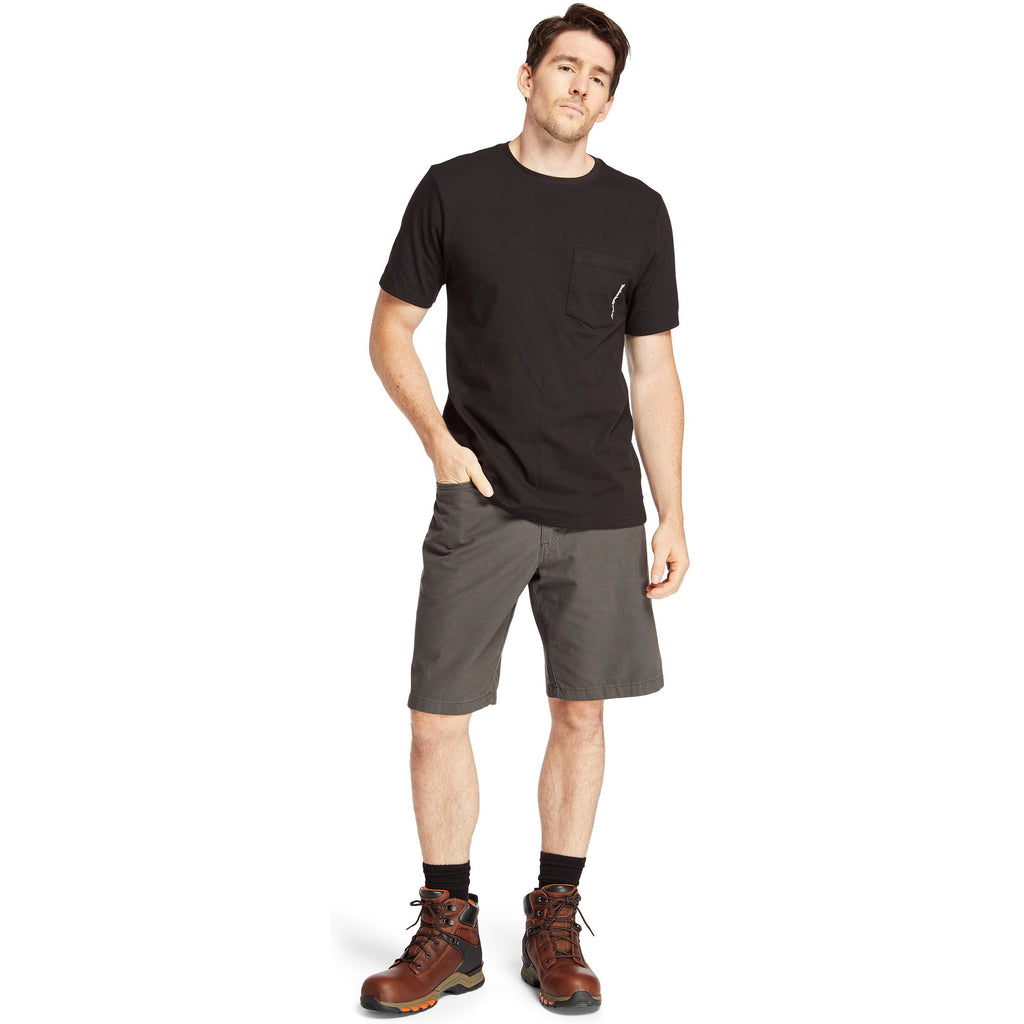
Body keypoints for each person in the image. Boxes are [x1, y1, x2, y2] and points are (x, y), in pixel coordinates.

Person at [360, 4, 688, 1014]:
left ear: (609, 100)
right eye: (566, 66)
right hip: (482, 498)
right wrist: (439, 444)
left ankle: (554, 918)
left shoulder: (639, 211)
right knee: (435, 717)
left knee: (580, 713)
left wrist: (673, 511)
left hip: (599, 505)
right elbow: (390, 329)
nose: (581, 85)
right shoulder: (454, 190)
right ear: (527, 76)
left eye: (600, 76)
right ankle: (448, 929)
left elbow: (653, 369)